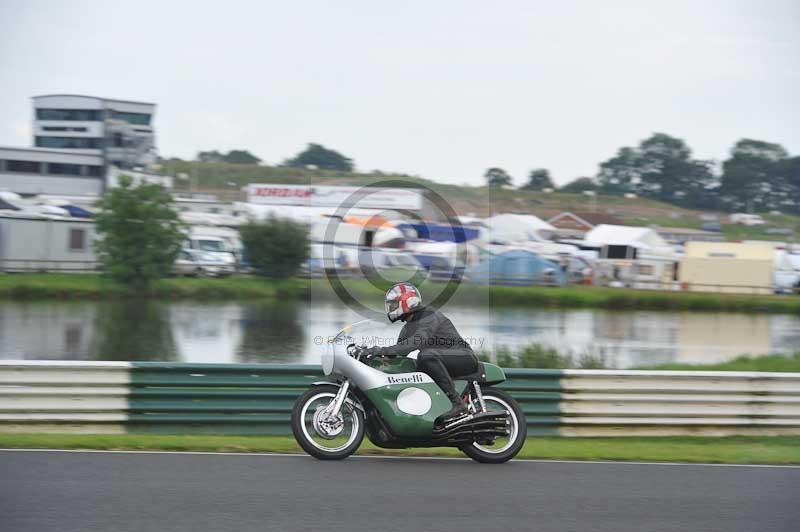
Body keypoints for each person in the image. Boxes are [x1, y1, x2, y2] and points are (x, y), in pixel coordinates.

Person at [365, 282, 478, 423]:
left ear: (407, 301)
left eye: (394, 304)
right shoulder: (407, 328)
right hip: (442, 360)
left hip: (463, 357)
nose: (391, 308)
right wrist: (371, 354)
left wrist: (382, 349)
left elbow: (416, 342)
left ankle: (457, 403)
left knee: (426, 356)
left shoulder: (428, 315)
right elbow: (399, 353)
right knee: (417, 364)